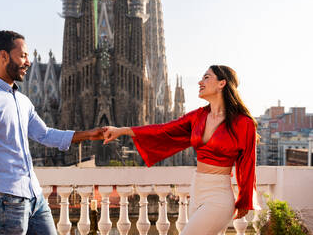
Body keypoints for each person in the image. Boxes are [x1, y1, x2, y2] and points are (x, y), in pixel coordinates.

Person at [0, 30, 104, 235]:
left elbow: (45, 134)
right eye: (22, 56)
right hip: (5, 199)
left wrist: (89, 135)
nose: (28, 62)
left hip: (34, 196)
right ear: (4, 56)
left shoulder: (22, 101)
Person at [103, 65, 258, 235]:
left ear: (222, 83)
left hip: (219, 196)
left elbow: (247, 163)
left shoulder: (243, 123)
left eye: (206, 77)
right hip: (197, 190)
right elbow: (163, 130)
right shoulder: (198, 116)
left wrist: (245, 200)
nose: (200, 82)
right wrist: (122, 130)